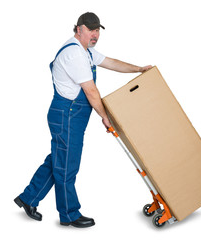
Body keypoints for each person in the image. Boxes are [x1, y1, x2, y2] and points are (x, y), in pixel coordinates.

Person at [14, 12, 152, 228]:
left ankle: (28, 198)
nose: (95, 34)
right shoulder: (75, 55)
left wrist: (138, 69)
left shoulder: (86, 51)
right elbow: (90, 91)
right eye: (90, 29)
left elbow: (111, 62)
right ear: (78, 29)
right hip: (66, 115)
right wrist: (105, 117)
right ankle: (69, 214)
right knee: (68, 166)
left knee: (60, 160)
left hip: (70, 115)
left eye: (97, 30)